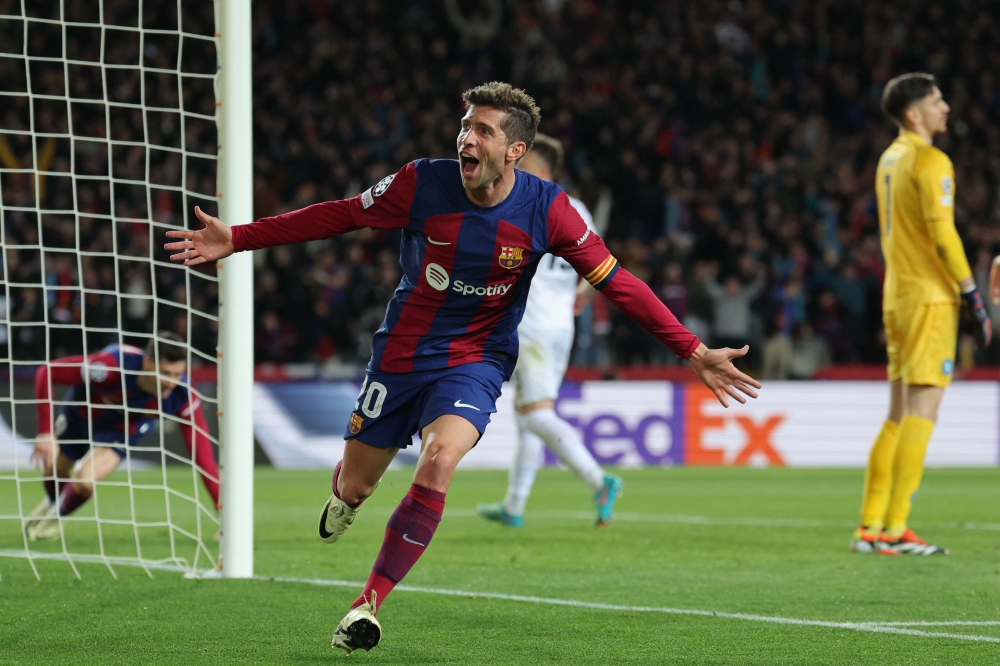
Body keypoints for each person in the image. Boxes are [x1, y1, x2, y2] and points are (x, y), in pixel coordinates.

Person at [165, 82, 760, 656]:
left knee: (440, 458)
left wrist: (691, 349)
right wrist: (237, 238)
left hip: (477, 359)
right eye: (464, 126)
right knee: (359, 483)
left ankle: (367, 602)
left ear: (516, 151)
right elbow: (339, 216)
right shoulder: (422, 182)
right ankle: (346, 497)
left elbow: (618, 283)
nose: (465, 140)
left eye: (482, 130)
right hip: (400, 355)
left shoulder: (548, 209)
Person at [851, 73, 991, 556]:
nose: (946, 107)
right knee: (923, 410)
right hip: (930, 297)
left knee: (897, 412)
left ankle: (870, 526)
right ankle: (894, 530)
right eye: (937, 101)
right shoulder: (931, 160)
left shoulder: (890, 158)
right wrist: (971, 293)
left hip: (897, 296)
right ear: (914, 114)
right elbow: (943, 233)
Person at [474, 133, 621, 529]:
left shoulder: (529, 203)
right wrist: (579, 298)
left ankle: (597, 480)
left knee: (535, 414)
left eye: (522, 162)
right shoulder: (579, 210)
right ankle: (515, 505)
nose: (514, 167)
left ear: (541, 169)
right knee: (526, 420)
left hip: (532, 326)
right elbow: (601, 266)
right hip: (560, 329)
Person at [24, 332, 220, 540]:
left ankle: (58, 515)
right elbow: (47, 372)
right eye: (165, 373)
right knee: (56, 470)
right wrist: (46, 432)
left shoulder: (183, 396)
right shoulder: (109, 366)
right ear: (147, 363)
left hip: (122, 428)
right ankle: (52, 501)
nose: (171, 382)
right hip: (82, 414)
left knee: (84, 481)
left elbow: (203, 458)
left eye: (177, 374)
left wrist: (225, 515)